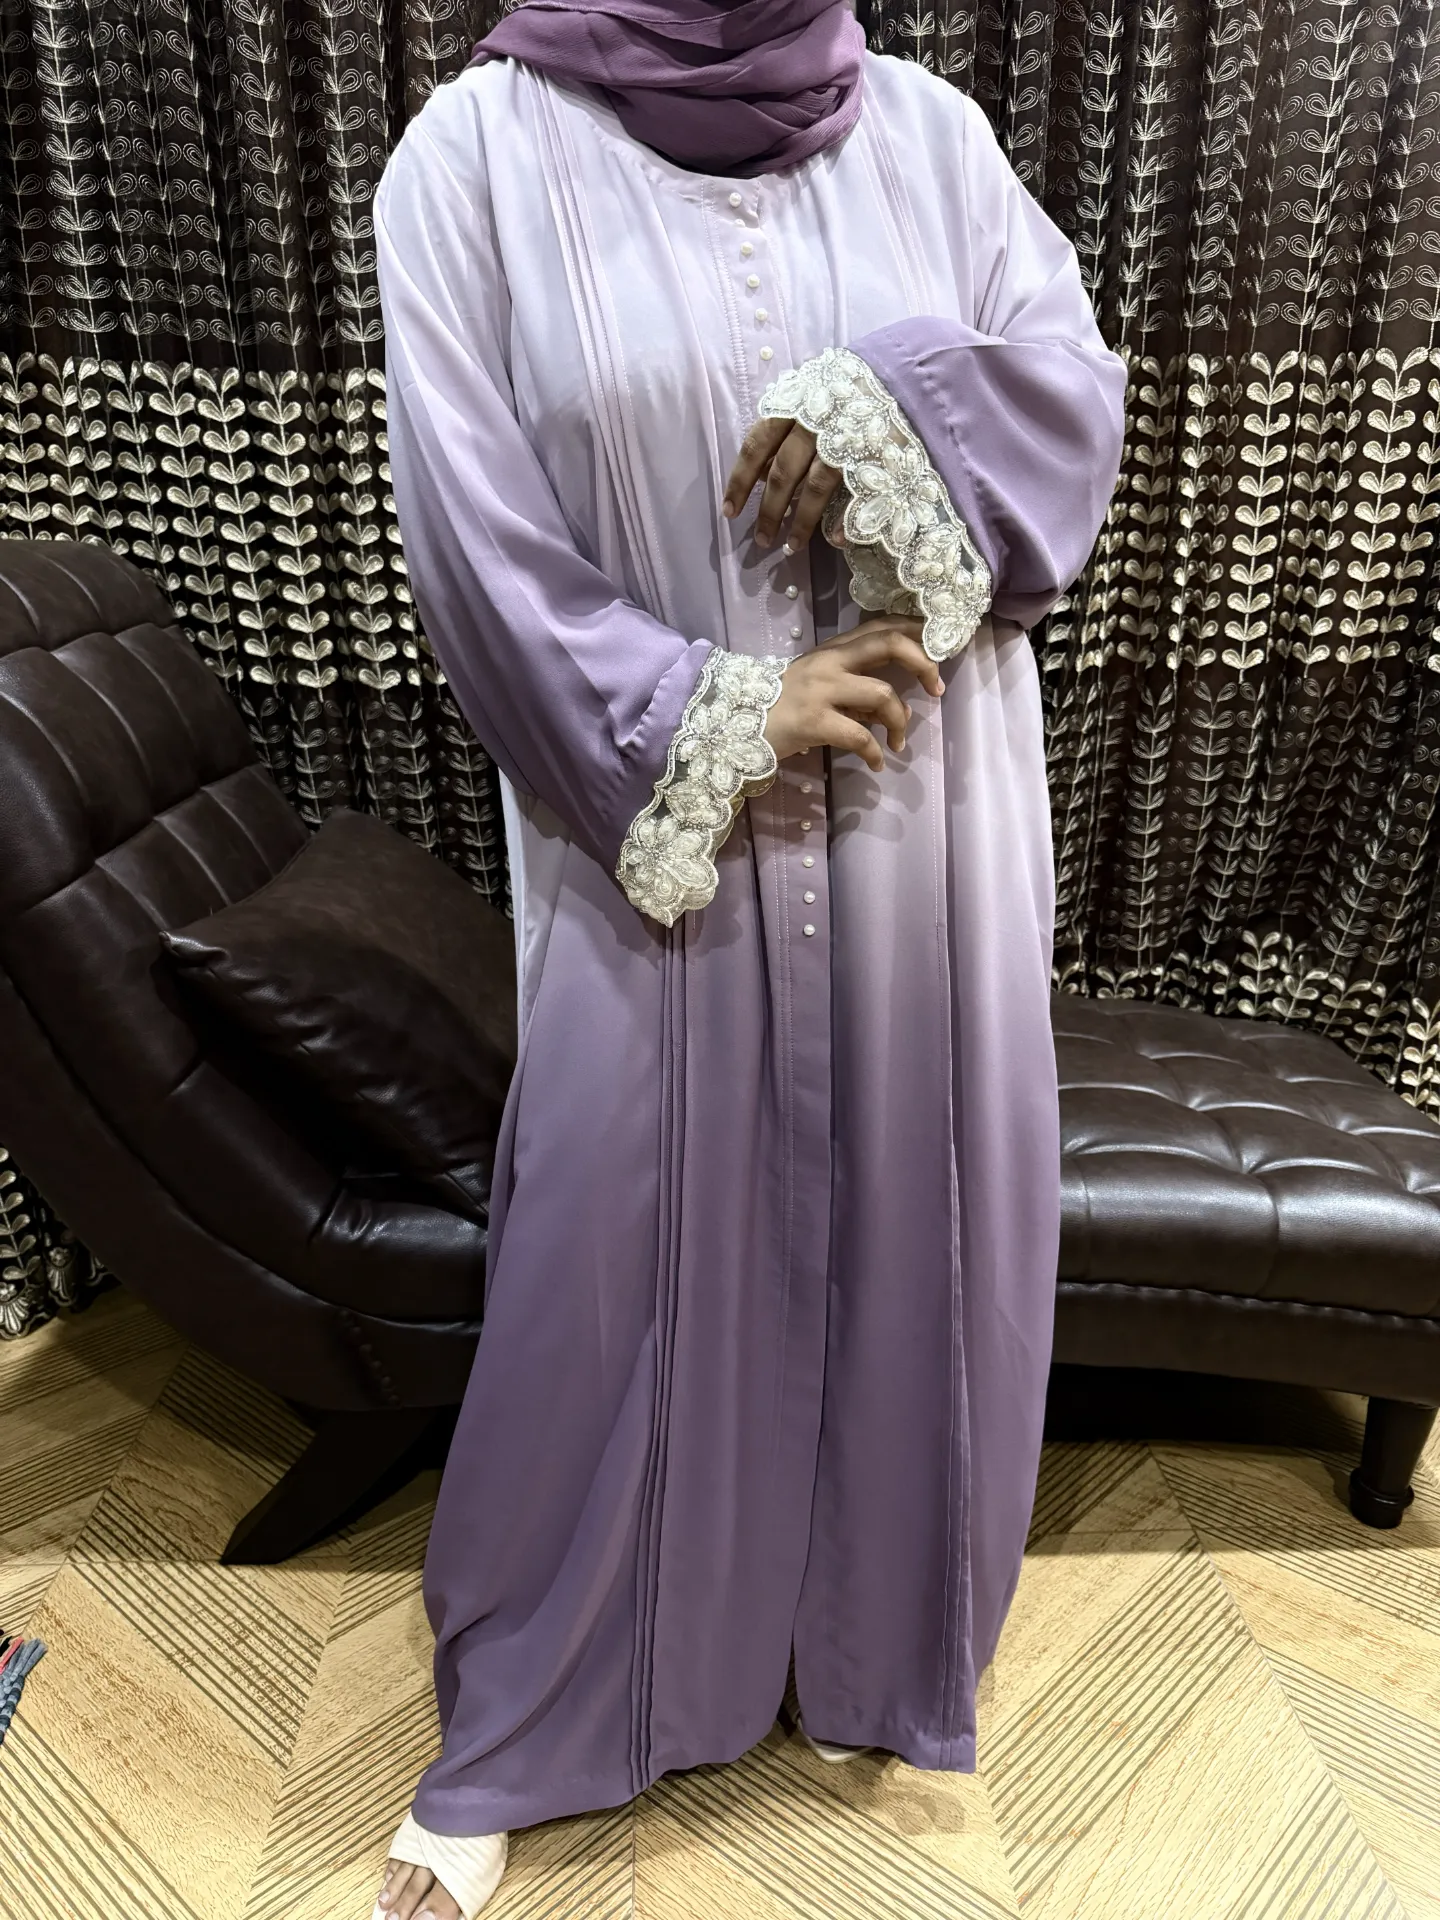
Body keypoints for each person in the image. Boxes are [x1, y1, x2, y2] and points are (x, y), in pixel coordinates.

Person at [371, 3, 1125, 1912]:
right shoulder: (476, 161)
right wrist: (716, 706)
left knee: (912, 1216)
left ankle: (861, 1648)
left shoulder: (935, 139)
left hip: (923, 821)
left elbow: (1073, 408)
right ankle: (542, 1700)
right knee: (609, 1247)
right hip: (662, 839)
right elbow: (473, 539)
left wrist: (897, 396)